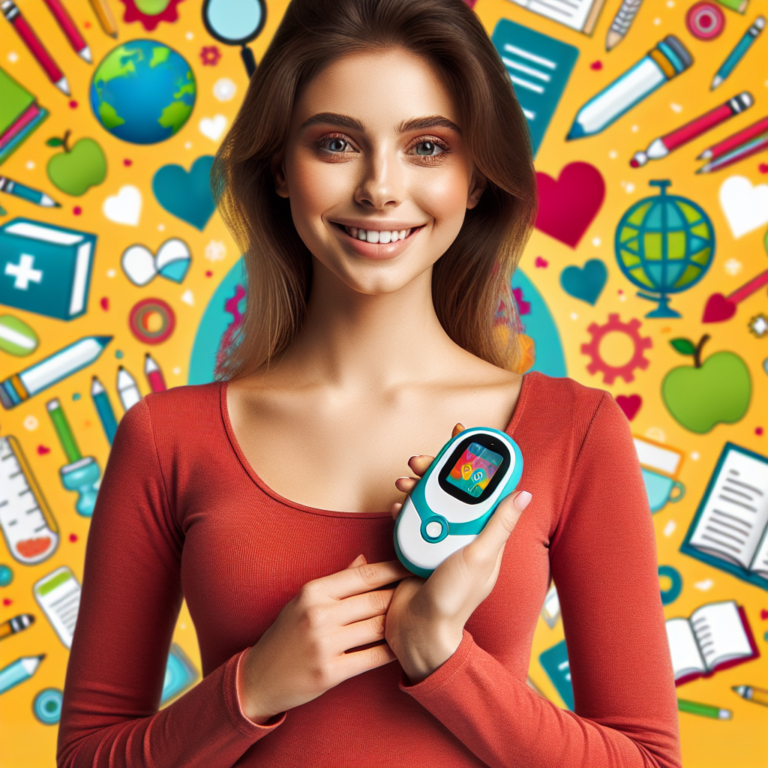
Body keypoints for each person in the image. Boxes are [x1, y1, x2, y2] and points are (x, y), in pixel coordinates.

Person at [56, 0, 683, 766]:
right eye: (336, 143)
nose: (380, 189)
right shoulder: (165, 439)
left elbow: (649, 760)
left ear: (477, 178)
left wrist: (443, 659)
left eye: (426, 146)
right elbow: (86, 756)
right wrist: (250, 690)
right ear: (280, 168)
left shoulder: (575, 432)